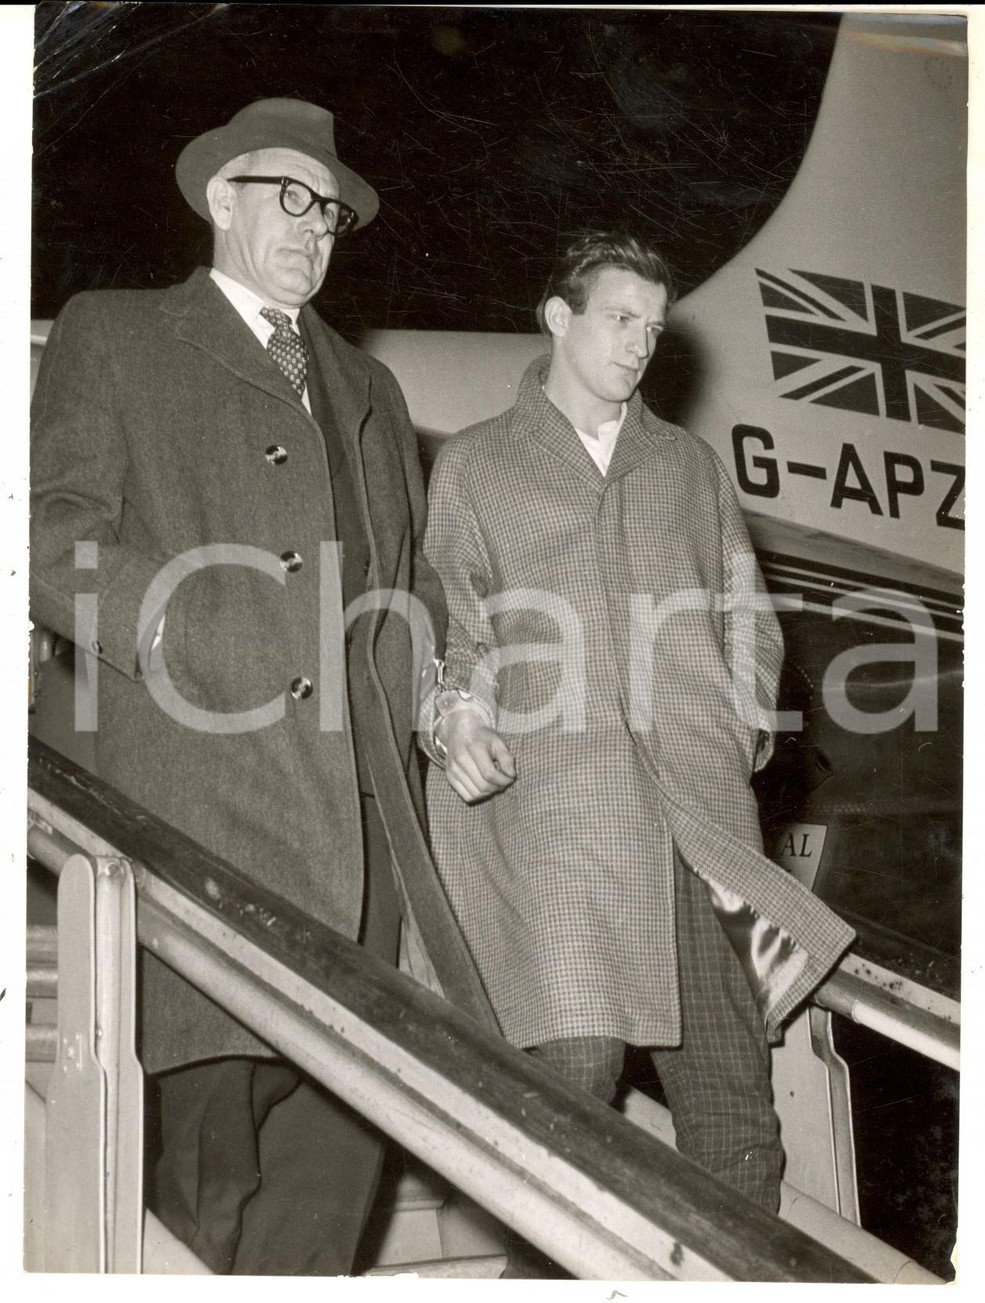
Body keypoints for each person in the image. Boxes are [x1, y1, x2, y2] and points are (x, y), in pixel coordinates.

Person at [30, 97, 497, 1275]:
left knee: (328, 1200)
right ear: (218, 199)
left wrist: (444, 698)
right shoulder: (120, 333)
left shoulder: (368, 388)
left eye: (330, 210)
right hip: (200, 822)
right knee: (202, 1195)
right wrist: (186, 624)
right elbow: (51, 539)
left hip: (363, 852)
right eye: (288, 196)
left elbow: (411, 583)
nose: (315, 225)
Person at [422, 233, 855, 1212]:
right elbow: (450, 621)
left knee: (736, 1111)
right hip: (563, 818)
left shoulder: (687, 466)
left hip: (696, 821)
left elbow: (748, 613)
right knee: (573, 1069)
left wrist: (737, 728)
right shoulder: (477, 467)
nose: (638, 345)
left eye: (653, 329)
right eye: (620, 319)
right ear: (558, 318)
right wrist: (453, 714)